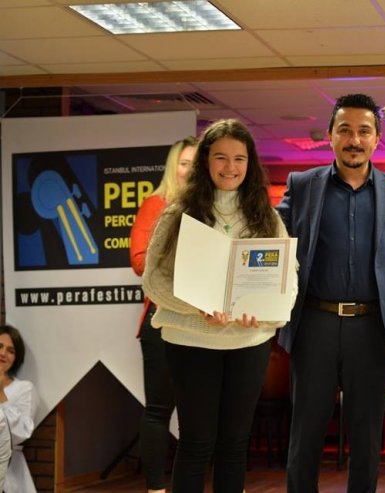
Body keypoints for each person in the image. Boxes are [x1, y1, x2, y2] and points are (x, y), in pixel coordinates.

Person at [143, 119, 295, 493]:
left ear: (250, 163)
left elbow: (288, 281)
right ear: (205, 161)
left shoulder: (267, 217)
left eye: (239, 158)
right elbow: (153, 281)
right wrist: (198, 308)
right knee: (196, 442)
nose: (230, 167)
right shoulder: (176, 214)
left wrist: (265, 314)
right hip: (190, 340)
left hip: (248, 341)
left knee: (235, 444)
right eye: (221, 157)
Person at [276, 93, 385, 493]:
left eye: (364, 131)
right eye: (345, 130)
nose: (355, 140)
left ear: (377, 138)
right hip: (314, 323)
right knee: (306, 432)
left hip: (372, 327)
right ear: (330, 135)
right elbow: (269, 237)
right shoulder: (303, 185)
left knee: (367, 436)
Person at [129, 136, 197, 493]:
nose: (190, 170)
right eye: (184, 163)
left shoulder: (214, 208)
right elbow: (140, 261)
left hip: (204, 322)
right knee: (158, 409)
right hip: (162, 319)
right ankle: (155, 488)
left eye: (196, 164)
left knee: (197, 413)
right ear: (173, 167)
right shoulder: (155, 204)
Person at [0, 324, 40, 493]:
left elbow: (21, 433)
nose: (3, 353)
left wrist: (1, 392)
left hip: (10, 473)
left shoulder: (24, 388)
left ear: (16, 358)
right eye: (0, 346)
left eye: (11, 350)